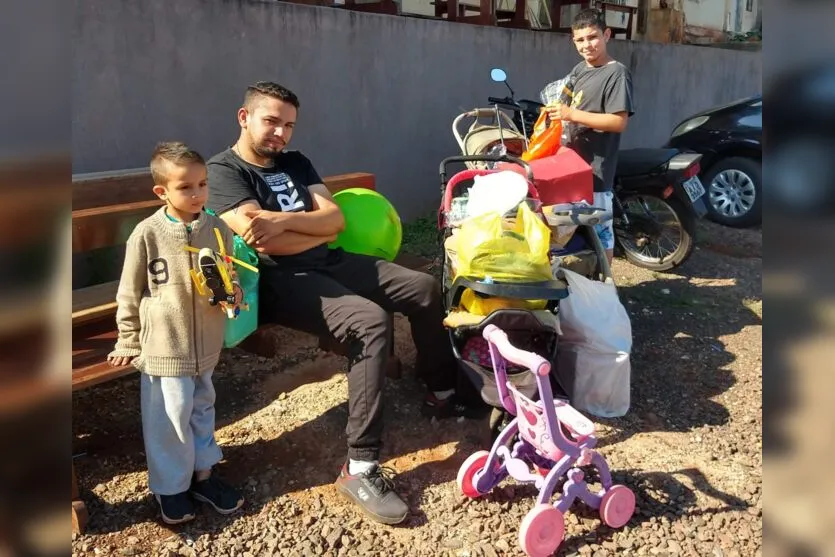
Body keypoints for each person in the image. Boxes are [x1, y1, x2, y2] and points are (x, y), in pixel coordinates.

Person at [205, 81, 479, 525]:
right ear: (245, 117)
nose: (280, 133)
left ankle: (440, 389)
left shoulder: (295, 162)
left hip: (331, 260)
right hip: (279, 281)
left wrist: (281, 221)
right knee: (370, 321)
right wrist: (303, 227)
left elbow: (334, 222)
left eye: (288, 125)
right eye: (271, 121)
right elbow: (260, 238)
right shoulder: (224, 170)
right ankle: (360, 467)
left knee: (424, 288)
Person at [107, 142, 245, 525]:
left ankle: (203, 476)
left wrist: (231, 296)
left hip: (206, 345)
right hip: (165, 347)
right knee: (169, 417)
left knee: (202, 408)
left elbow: (227, 277)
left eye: (203, 184)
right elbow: (129, 291)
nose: (198, 193)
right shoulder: (147, 234)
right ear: (162, 191)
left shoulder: (217, 229)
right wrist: (128, 339)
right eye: (186, 187)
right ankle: (170, 488)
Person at [546, 8, 635, 265]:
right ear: (573, 41)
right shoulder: (579, 69)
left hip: (596, 169)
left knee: (601, 232)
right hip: (570, 165)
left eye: (593, 37)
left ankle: (606, 288)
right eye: (580, 40)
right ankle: (580, 280)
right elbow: (563, 101)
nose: (587, 45)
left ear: (606, 34)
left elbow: (618, 122)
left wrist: (571, 114)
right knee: (570, 227)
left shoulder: (616, 73)